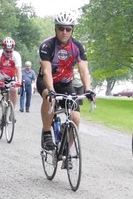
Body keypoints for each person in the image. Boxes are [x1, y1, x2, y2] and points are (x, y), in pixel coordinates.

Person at [36, 11, 95, 151]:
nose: (64, 32)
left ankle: (66, 149)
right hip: (46, 81)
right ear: (55, 29)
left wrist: (88, 89)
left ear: (72, 30)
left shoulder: (77, 47)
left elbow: (83, 70)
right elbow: (46, 71)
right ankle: (46, 133)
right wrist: (50, 90)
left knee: (75, 118)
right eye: (61, 28)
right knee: (49, 99)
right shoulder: (47, 45)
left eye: (68, 29)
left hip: (66, 83)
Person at [0, 37, 22, 130]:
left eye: (10, 51)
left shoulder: (16, 55)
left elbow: (18, 70)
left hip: (10, 77)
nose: (8, 53)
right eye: (6, 51)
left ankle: (12, 112)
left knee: (14, 90)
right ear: (3, 49)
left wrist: (19, 81)